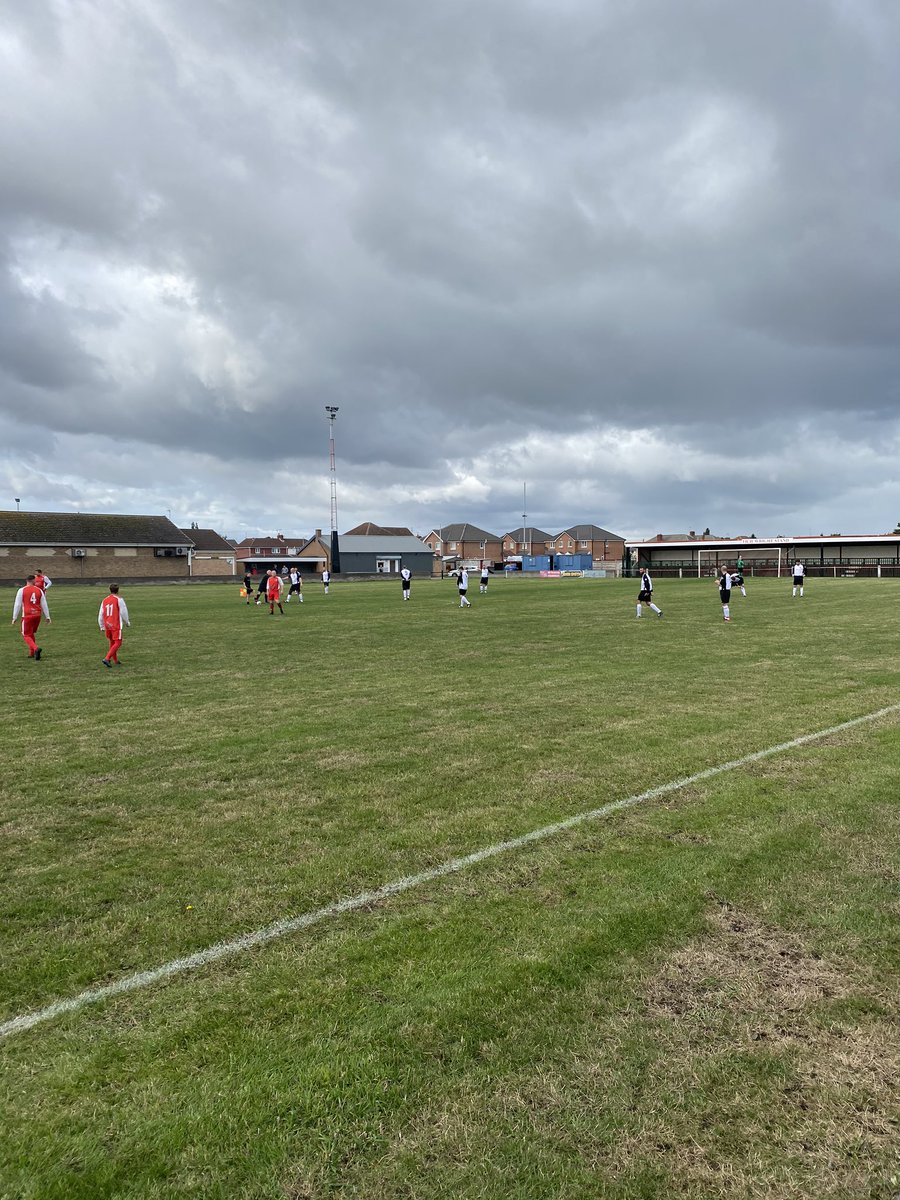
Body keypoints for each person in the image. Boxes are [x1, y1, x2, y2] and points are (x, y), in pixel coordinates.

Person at [11, 574, 51, 660]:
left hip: (27, 615)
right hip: (37, 615)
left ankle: (36, 649)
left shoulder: (22, 590)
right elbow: (44, 604)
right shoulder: (39, 590)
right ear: (33, 581)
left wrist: (14, 617)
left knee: (25, 634)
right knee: (31, 633)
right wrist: (47, 616)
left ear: (27, 581)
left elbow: (17, 604)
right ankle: (31, 653)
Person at [99, 583, 130, 667]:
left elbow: (101, 613)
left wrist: (101, 625)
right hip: (115, 624)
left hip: (107, 624)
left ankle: (115, 660)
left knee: (112, 642)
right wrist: (127, 622)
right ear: (118, 590)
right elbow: (124, 612)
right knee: (118, 642)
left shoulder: (105, 600)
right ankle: (107, 658)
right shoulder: (119, 599)